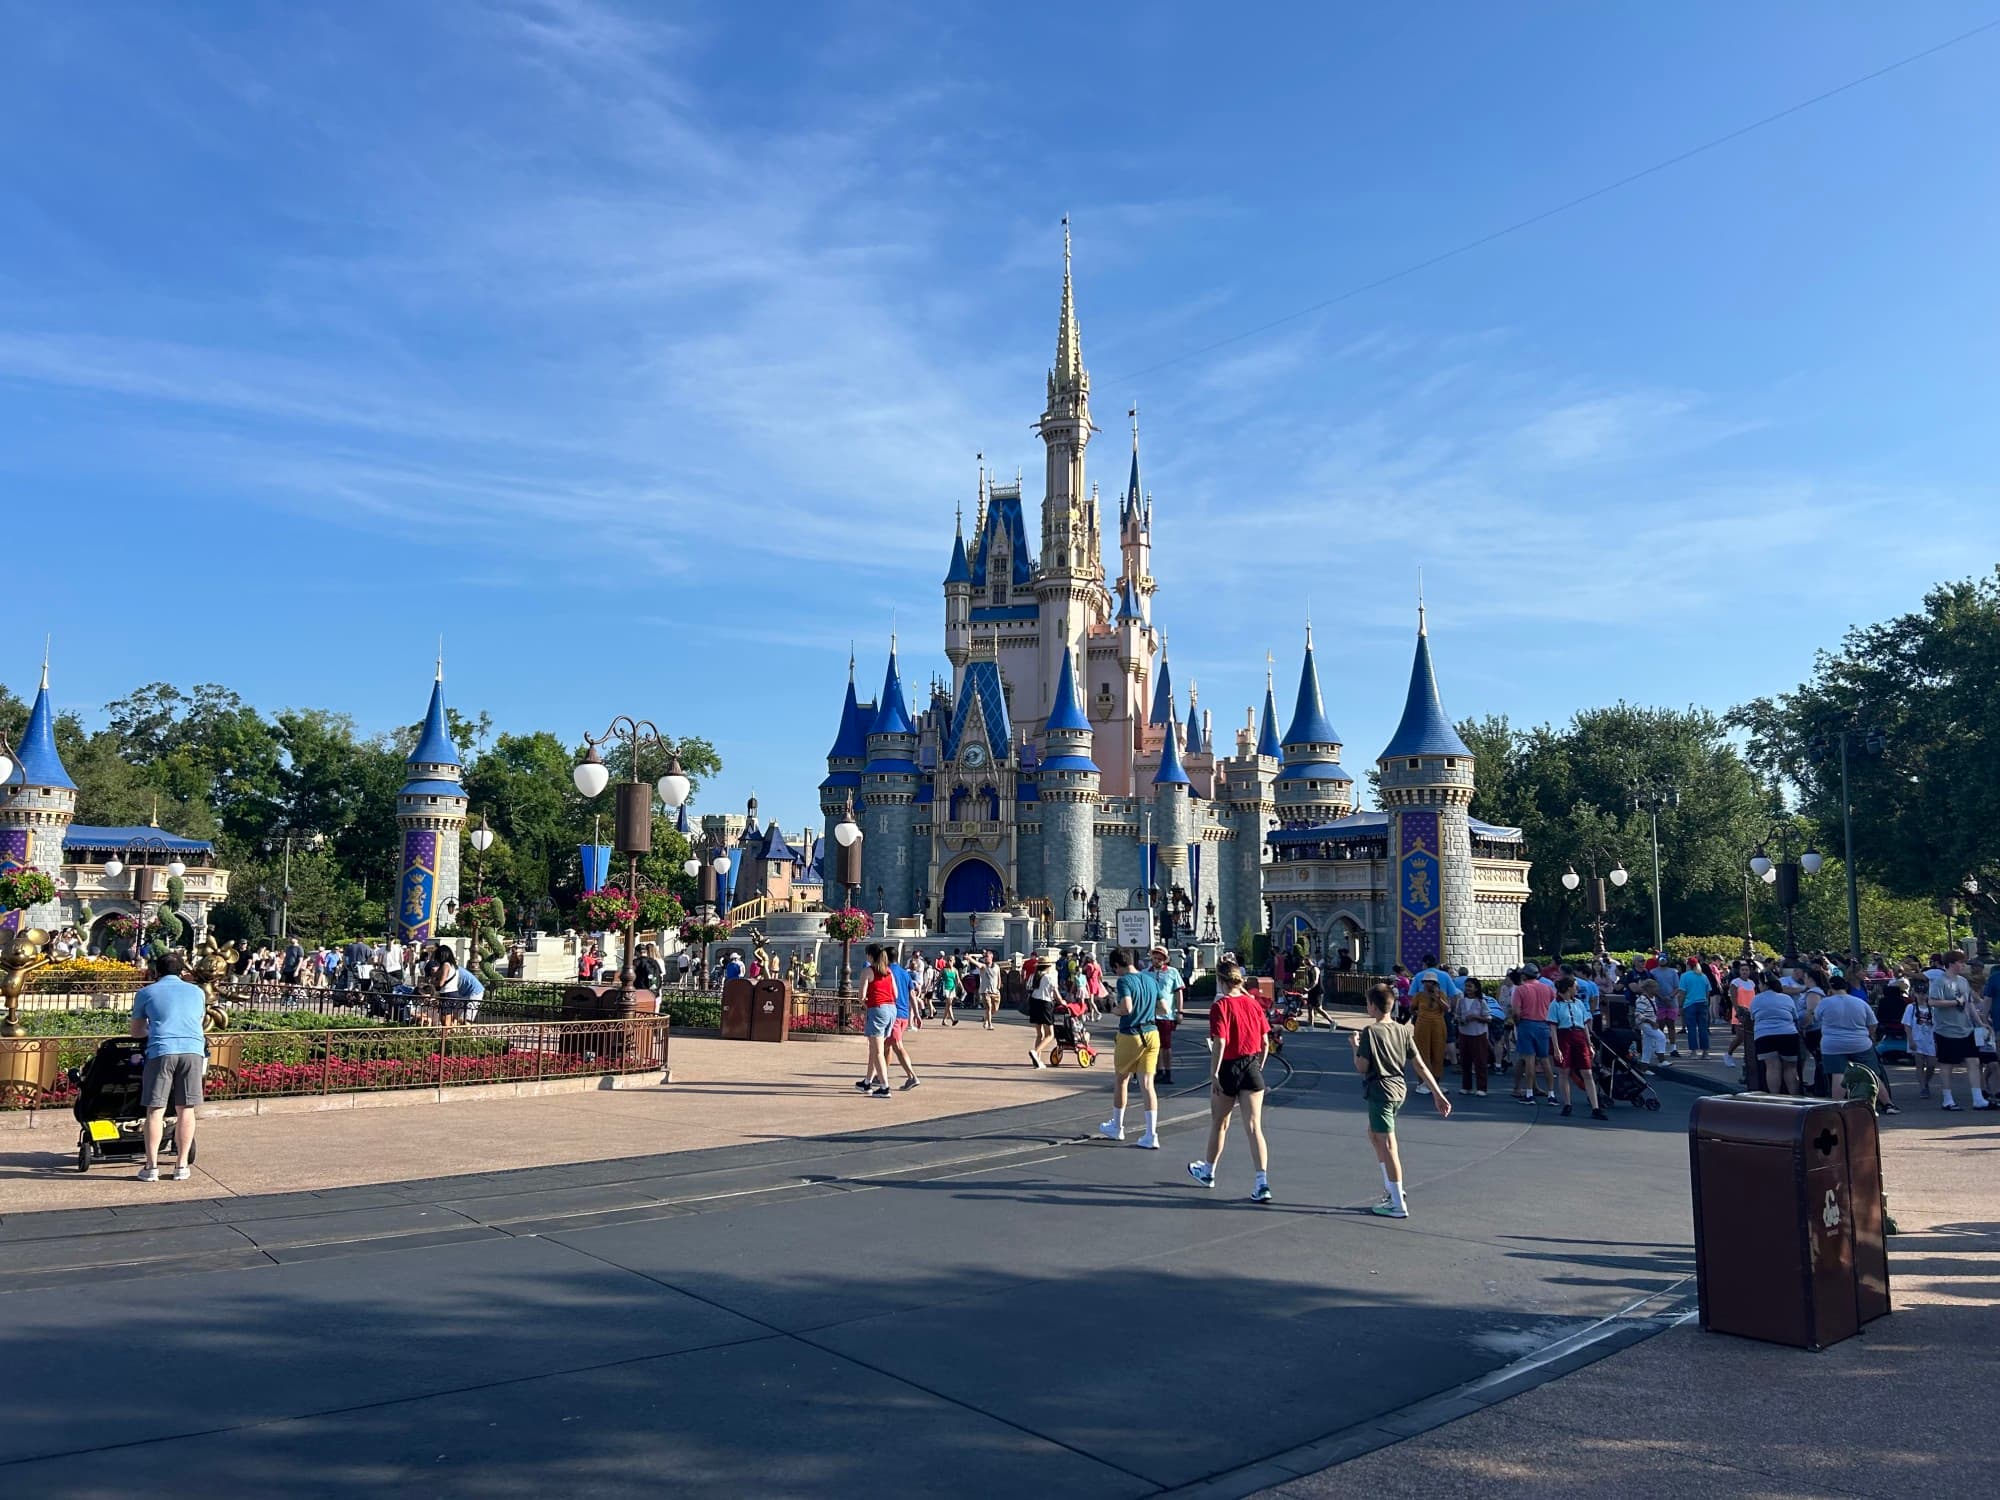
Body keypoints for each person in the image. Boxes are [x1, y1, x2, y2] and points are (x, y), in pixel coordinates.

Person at [1350, 982, 1450, 1219]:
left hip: (1380, 1090)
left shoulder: (1371, 1033)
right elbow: (1419, 1065)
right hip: (1398, 1089)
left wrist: (1354, 1047)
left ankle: (1396, 1200)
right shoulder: (1402, 1030)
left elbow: (1361, 1066)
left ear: (1372, 1007)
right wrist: (1438, 1093)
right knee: (1376, 1135)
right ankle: (1391, 1187)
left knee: (1386, 1144)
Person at [1187, 960, 1272, 1201]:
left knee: (1219, 1123)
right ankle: (1262, 1181)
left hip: (1228, 1067)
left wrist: (1214, 1072)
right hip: (1251, 1065)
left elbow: (1220, 1042)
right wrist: (1259, 1063)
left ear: (1222, 981)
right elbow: (1266, 1041)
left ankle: (1208, 1171)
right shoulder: (1253, 1005)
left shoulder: (1221, 1006)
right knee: (1254, 1127)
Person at [128, 952, 208, 1182]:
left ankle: (151, 1166)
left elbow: (136, 1031)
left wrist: (151, 1032)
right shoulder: (197, 992)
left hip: (161, 1050)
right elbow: (198, 1020)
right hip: (193, 1049)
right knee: (186, 1108)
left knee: (155, 1109)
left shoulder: (146, 993)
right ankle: (181, 1165)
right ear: (182, 971)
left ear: (156, 971)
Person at [1100, 948, 1162, 1148]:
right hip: (1152, 1033)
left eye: (1115, 969)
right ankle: (1151, 1134)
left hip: (1131, 1034)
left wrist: (1114, 1010)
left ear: (1118, 965)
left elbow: (1127, 1008)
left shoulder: (1124, 981)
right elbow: (1164, 1008)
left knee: (1122, 1079)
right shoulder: (1150, 980)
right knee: (1147, 1084)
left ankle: (1117, 1127)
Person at [1817, 979, 1896, 1110]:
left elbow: (1817, 1018)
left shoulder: (1824, 1003)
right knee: (1872, 1073)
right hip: (1859, 1042)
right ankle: (1888, 1104)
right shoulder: (1860, 1003)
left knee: (1838, 1074)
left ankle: (1835, 1106)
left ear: (1830, 988)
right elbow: (1872, 1023)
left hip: (1833, 1043)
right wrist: (1870, 1035)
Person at [1927, 951, 1988, 1111]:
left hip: (1966, 1029)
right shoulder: (1939, 982)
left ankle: (1978, 1098)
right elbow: (1932, 1001)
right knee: (1947, 1065)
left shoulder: (1963, 981)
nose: (1963, 966)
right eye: (1960, 962)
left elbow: (1969, 1004)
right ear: (1952, 963)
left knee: (1974, 1061)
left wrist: (1980, 1023)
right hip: (1945, 1029)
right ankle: (1947, 1099)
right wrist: (1954, 1002)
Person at [1549, 977, 1607, 1121]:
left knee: (1587, 1071)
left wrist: (1589, 1044)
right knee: (1564, 1071)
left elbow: (1585, 1024)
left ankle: (1595, 1107)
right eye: (1575, 986)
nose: (1577, 989)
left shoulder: (1579, 1003)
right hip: (1564, 1036)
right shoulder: (1555, 1004)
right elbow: (1553, 1027)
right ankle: (1567, 1104)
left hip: (1579, 1035)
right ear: (1568, 988)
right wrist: (1556, 1048)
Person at [1509, 966, 1557, 1104]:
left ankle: (1529, 1093)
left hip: (1526, 1024)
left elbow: (1516, 1012)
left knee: (1529, 1060)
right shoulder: (1547, 988)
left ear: (1524, 975)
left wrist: (1517, 1024)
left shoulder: (1521, 989)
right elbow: (1553, 1005)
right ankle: (1551, 1094)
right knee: (1545, 1060)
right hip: (1543, 1024)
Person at [1750, 974, 1804, 1095]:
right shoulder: (1786, 998)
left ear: (1764, 985)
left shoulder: (1756, 999)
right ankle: (1794, 1096)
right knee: (1790, 1067)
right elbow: (1794, 1017)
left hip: (1764, 1034)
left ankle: (1775, 1096)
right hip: (1787, 1033)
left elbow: (1752, 1016)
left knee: (1772, 1067)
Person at [856, 945, 897, 1098]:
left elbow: (861, 996)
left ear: (869, 956)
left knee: (879, 1051)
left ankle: (884, 1086)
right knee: (874, 1048)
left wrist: (867, 1004)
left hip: (877, 1009)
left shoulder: (868, 971)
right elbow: (896, 993)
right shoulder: (888, 971)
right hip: (891, 1009)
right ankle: (867, 1082)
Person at [880, 943, 920, 1090]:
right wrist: (916, 1014)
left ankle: (912, 1076)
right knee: (886, 1045)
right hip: (903, 1015)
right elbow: (912, 995)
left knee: (896, 1046)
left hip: (894, 1014)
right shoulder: (905, 973)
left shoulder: (888, 972)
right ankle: (881, 1075)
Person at [1410, 976, 1450, 1096]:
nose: (1428, 984)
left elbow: (1447, 1009)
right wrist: (1420, 1014)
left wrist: (1437, 998)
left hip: (1438, 1025)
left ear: (1435, 984)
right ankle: (1422, 1083)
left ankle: (1435, 1082)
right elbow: (1411, 1009)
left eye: (1431, 982)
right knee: (1423, 1053)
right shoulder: (1419, 996)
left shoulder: (1441, 994)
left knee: (1438, 1053)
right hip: (1423, 1025)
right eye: (1426, 982)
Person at [1151, 944, 1185, 1085]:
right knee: (1154, 1045)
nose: (1158, 959)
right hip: (1150, 1015)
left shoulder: (1172, 972)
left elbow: (1178, 992)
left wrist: (1180, 1011)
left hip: (1166, 1015)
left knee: (1166, 1045)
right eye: (1155, 956)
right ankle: (1158, 1071)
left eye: (1161, 957)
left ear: (1165, 959)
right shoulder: (1146, 973)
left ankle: (1168, 1072)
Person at [1454, 977, 1492, 1097]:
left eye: (1470, 986)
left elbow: (1488, 1018)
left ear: (1476, 988)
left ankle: (1482, 1087)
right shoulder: (1461, 1001)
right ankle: (1466, 1086)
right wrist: (1459, 1020)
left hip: (1478, 1034)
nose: (1468, 989)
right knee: (1465, 1061)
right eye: (1466, 986)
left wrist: (1476, 1017)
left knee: (1480, 1061)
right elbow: (1457, 1015)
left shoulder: (1481, 1002)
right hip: (1464, 1033)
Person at [1026, 952, 1060, 1067]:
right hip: (1045, 1003)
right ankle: (1035, 1052)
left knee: (1039, 1034)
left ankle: (1037, 1060)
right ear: (1048, 966)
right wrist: (1063, 1002)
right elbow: (1056, 995)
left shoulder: (1033, 976)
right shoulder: (1050, 977)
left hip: (1034, 1003)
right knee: (1050, 1034)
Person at [1678, 958, 1713, 1059]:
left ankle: (1694, 1052)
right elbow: (1708, 991)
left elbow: (1682, 992)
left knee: (1692, 1028)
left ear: (1688, 965)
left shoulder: (1684, 976)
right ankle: (1705, 1052)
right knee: (1703, 1028)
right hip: (1702, 1003)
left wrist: (1680, 1005)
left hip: (1690, 1004)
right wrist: (1706, 1001)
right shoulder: (1703, 976)